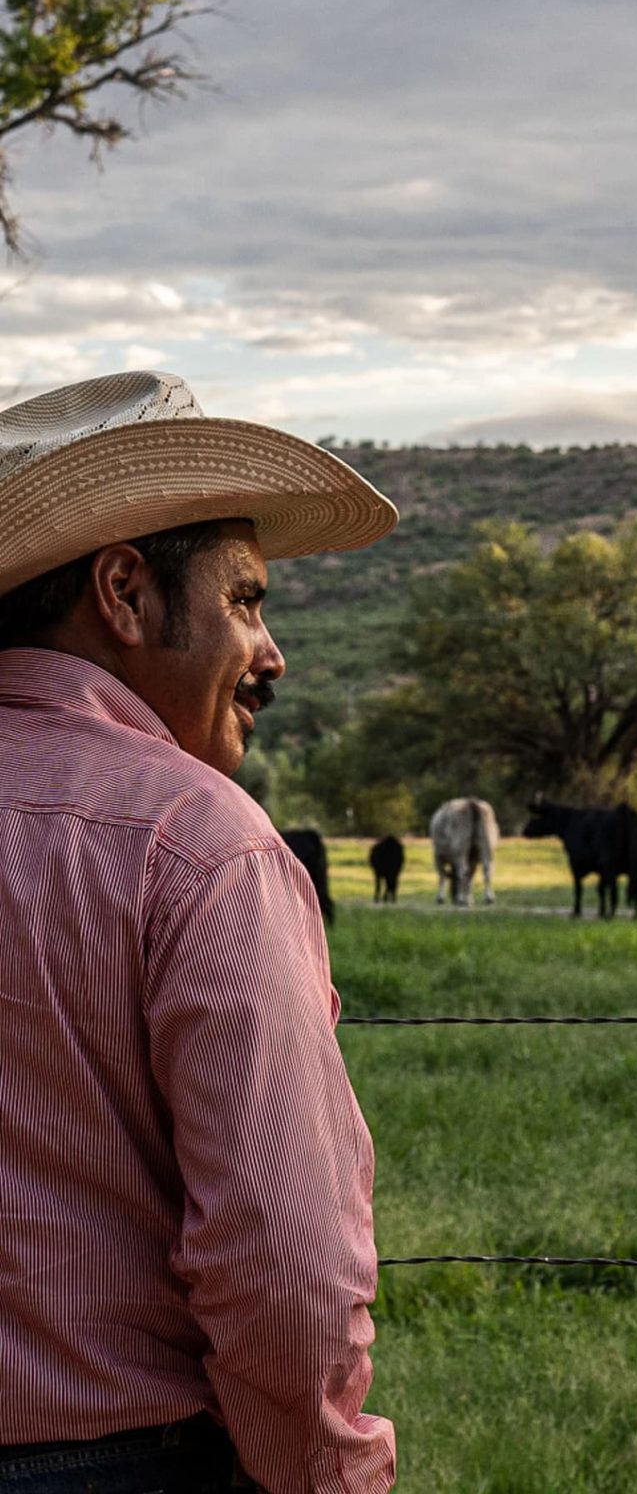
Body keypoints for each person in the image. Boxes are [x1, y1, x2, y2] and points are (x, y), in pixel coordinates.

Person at [0, 371, 399, 1493]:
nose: (272, 653)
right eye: (243, 601)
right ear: (124, 593)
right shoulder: (195, 843)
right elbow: (282, 1268)